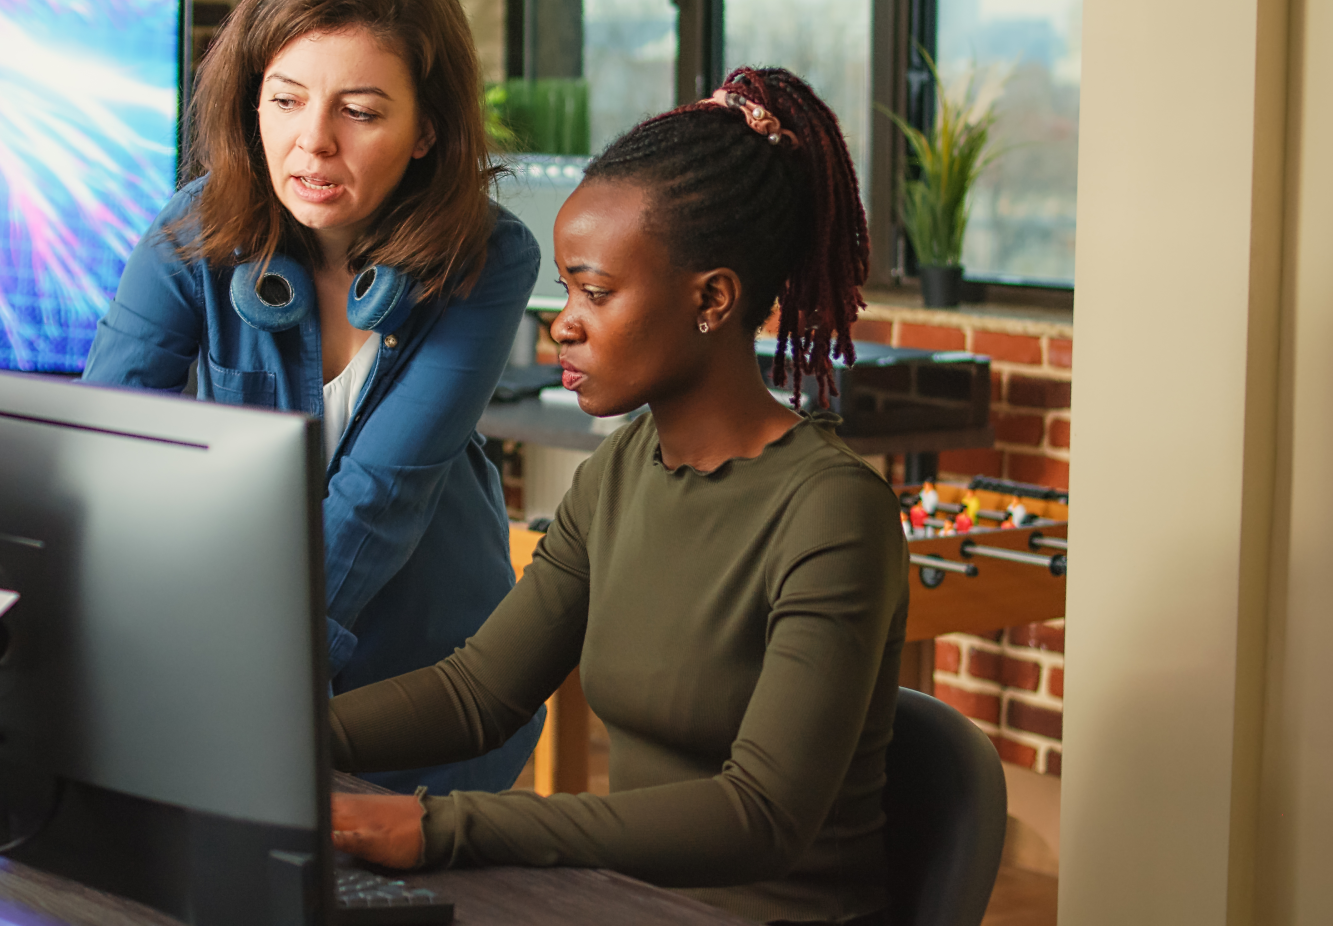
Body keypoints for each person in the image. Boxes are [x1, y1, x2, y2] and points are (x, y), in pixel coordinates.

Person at [324, 67, 908, 926]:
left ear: (712, 299)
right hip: (619, 906)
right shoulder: (626, 468)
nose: (563, 320)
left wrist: (441, 826)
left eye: (594, 292)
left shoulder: (831, 512)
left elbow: (760, 816)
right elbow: (477, 693)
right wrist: (289, 731)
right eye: (565, 288)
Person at [81, 0, 543, 795]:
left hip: (426, 696)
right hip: (227, 670)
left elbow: (379, 494)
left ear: (425, 131)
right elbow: (107, 448)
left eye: (361, 112)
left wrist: (250, 676)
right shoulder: (193, 231)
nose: (312, 141)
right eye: (285, 100)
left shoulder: (488, 257)